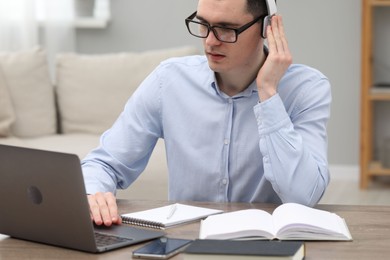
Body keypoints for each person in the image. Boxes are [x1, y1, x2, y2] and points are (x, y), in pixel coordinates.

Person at [82, 0, 331, 227]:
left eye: (226, 28)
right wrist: (93, 194)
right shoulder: (168, 80)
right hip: (186, 240)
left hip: (265, 244)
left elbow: (304, 196)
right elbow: (104, 163)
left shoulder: (306, 88)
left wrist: (268, 92)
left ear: (267, 28)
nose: (210, 41)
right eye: (203, 24)